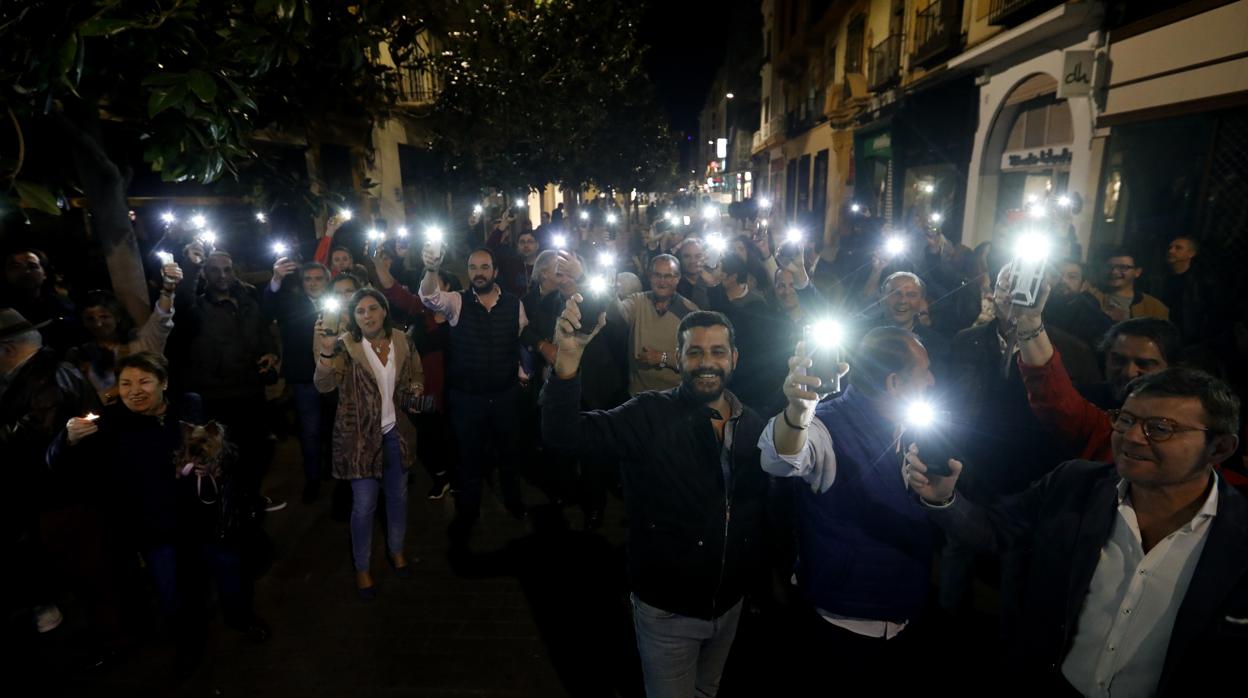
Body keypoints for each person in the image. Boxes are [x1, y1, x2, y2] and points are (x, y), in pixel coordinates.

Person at [905, 367, 1246, 697]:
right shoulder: (1074, 484)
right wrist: (945, 499)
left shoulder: (1238, 537)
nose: (1130, 436)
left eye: (1159, 428)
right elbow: (997, 532)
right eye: (1125, 420)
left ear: (1219, 449)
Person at [543, 308, 767, 698]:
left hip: (730, 606)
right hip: (668, 611)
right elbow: (565, 437)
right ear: (678, 358)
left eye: (717, 352)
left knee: (706, 691)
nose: (706, 363)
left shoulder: (754, 425)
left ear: (734, 358)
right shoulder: (648, 414)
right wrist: (566, 365)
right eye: (694, 353)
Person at [51, 352, 269, 671]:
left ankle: (241, 618)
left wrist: (218, 460)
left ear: (163, 383)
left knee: (231, 572)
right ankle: (187, 645)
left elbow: (230, 449)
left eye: (144, 381)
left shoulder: (191, 407)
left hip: (206, 522)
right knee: (171, 594)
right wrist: (65, 439)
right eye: (125, 383)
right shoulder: (109, 424)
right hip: (156, 530)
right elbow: (57, 465)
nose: (134, 390)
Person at [759, 327, 936, 692]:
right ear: (893, 382)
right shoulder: (826, 425)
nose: (932, 380)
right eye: (924, 371)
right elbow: (782, 458)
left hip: (902, 616)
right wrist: (797, 413)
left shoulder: (913, 425)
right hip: (841, 629)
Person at [314, 289, 423, 599]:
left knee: (398, 497)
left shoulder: (401, 340)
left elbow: (415, 372)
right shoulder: (345, 347)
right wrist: (324, 353)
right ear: (353, 317)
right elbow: (322, 385)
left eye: (373, 308)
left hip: (396, 433)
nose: (367, 315)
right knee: (364, 506)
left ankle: (397, 550)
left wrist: (416, 388)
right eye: (360, 311)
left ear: (384, 311)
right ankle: (362, 567)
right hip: (359, 439)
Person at [1, 309, 96, 639]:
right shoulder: (46, 371)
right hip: (67, 494)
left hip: (62, 496)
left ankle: (107, 638)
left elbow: (35, 442)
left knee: (86, 572)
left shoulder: (45, 380)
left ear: (7, 349)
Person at [420, 246, 529, 529]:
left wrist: (521, 371)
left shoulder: (515, 304)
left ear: (494, 271)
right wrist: (432, 269)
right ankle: (469, 510)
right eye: (472, 268)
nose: (478, 274)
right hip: (468, 398)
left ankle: (514, 503)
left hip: (504, 395)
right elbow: (429, 297)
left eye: (484, 268)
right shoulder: (457, 302)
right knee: (469, 457)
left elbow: (519, 341)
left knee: (509, 454)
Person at [1017, 281, 1182, 463]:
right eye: (1118, 360)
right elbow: (1052, 390)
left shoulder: (1189, 419)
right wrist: (1029, 323)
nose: (1129, 372)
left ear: (1171, 367)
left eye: (1144, 364)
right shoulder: (1090, 407)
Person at [174, 250, 284, 512]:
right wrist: (190, 267)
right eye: (215, 270)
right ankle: (229, 508)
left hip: (251, 390)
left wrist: (270, 353)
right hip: (217, 395)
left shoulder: (248, 300)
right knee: (224, 456)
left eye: (227, 269)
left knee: (256, 450)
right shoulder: (197, 307)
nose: (222, 275)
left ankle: (250, 500)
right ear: (205, 274)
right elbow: (181, 305)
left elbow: (262, 332)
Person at [374, 253, 458, 500]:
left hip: (453, 389)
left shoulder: (459, 312)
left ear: (448, 288)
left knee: (451, 436)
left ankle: (456, 477)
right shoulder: (420, 311)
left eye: (435, 282)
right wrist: (378, 264)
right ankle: (440, 475)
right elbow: (393, 291)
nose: (428, 287)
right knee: (426, 438)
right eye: (425, 281)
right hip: (424, 388)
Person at [262, 258, 332, 503]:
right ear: (302, 283)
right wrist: (277, 279)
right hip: (305, 378)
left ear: (327, 280)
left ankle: (334, 471)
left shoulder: (339, 302)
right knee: (310, 431)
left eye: (318, 278)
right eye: (308, 279)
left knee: (335, 428)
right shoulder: (290, 303)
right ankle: (312, 479)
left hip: (336, 377)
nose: (313, 283)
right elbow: (267, 309)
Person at [68, 257, 181, 404]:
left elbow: (161, 318)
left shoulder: (140, 343)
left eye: (104, 316)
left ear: (117, 317)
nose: (98, 324)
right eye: (90, 319)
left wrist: (168, 289)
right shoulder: (79, 354)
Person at [612, 255, 699, 395]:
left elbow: (697, 360)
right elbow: (617, 315)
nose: (662, 281)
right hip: (638, 396)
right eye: (657, 275)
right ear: (649, 277)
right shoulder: (638, 301)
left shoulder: (690, 312)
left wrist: (662, 357)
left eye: (668, 276)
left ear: (678, 278)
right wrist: (611, 294)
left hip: (675, 398)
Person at [0, 248, 83, 355]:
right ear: (6, 273)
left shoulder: (63, 307)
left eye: (32, 266)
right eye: (15, 266)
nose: (25, 271)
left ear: (44, 274)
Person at [876, 272, 950, 378]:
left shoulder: (937, 345)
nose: (903, 300)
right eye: (895, 293)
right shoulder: (857, 336)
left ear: (921, 302)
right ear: (881, 297)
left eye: (911, 295)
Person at [1042, 259, 1112, 349]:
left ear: (1083, 285)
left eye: (1072, 277)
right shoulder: (1034, 305)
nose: (1063, 281)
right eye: (1056, 275)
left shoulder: (1094, 316)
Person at [1158, 236, 1214, 346]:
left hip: (1189, 338)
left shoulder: (1202, 281)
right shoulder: (1160, 279)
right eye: (1170, 247)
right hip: (1162, 333)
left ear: (1191, 254)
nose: (1171, 250)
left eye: (1178, 248)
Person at [1089, 251, 1169, 321]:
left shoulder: (1154, 307)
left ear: (1137, 272)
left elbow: (1159, 336)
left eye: (1123, 267)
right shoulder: (1091, 297)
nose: (1114, 272)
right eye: (1110, 267)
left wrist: (1124, 320)